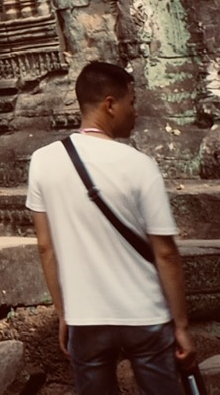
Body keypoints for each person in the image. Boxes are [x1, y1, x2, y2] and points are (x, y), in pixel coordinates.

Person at [28, 61, 195, 394]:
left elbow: (46, 247)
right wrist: (181, 325)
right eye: (131, 102)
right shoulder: (139, 165)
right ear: (110, 104)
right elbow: (165, 253)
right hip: (145, 313)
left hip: (85, 317)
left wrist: (63, 313)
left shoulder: (43, 161)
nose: (135, 112)